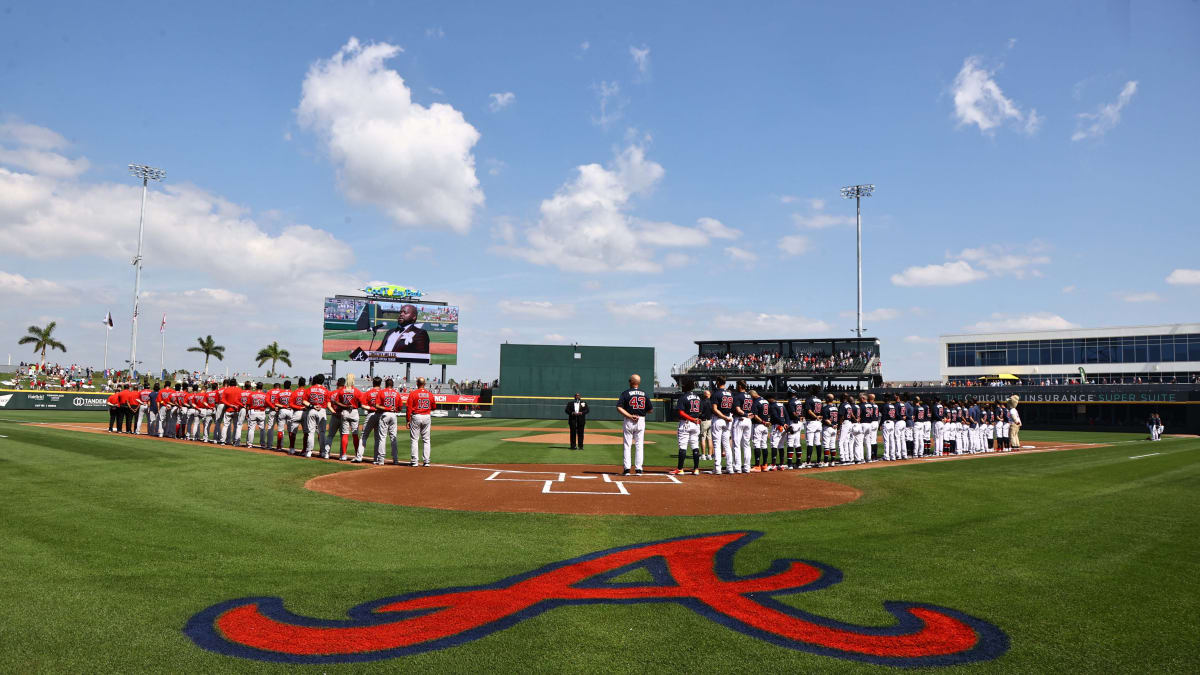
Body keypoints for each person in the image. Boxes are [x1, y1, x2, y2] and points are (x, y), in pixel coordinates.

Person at [616, 374, 652, 475]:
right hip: (640, 420)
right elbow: (650, 410)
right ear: (638, 383)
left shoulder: (625, 393)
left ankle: (627, 469)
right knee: (639, 445)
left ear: (631, 382)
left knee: (627, 445)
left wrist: (630, 416)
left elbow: (619, 407)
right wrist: (640, 411)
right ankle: (638, 469)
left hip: (629, 420)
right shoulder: (644, 393)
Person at [672, 381, 702, 475]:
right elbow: (700, 411)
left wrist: (692, 418)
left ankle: (680, 469)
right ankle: (696, 469)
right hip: (696, 423)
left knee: (683, 446)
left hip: (686, 423)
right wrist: (695, 418)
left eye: (683, 385)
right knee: (695, 445)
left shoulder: (683, 397)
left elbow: (681, 412)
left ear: (686, 387)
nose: (682, 387)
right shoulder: (698, 397)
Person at [406, 377, 437, 466]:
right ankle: (426, 461)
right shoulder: (430, 394)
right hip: (426, 416)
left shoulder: (413, 394)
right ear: (425, 384)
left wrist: (408, 420)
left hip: (416, 416)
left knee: (415, 439)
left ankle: (414, 461)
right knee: (426, 439)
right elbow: (434, 407)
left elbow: (409, 408)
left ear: (417, 383)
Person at [355, 377, 383, 463]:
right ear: (380, 383)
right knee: (378, 438)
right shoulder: (383, 393)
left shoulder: (368, 392)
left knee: (364, 436)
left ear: (373, 383)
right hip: (381, 415)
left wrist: (370, 408)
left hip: (371, 414)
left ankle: (359, 457)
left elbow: (362, 405)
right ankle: (376, 459)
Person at [709, 379, 734, 474]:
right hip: (728, 420)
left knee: (717, 444)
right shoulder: (730, 394)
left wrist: (724, 417)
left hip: (719, 419)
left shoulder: (716, 393)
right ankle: (730, 468)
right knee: (727, 445)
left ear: (718, 382)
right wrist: (727, 417)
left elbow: (715, 409)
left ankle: (718, 468)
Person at [304, 374, 331, 458]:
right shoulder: (326, 390)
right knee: (322, 432)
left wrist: (312, 406)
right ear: (323, 381)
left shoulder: (309, 389)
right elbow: (328, 403)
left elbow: (304, 401)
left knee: (311, 432)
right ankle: (323, 452)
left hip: (312, 410)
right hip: (322, 410)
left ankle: (309, 451)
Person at [376, 378, 401, 465]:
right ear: (392, 385)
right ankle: (395, 459)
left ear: (385, 384)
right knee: (393, 437)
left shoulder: (381, 392)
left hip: (385, 414)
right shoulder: (396, 393)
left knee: (382, 437)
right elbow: (400, 407)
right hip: (393, 415)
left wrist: (387, 408)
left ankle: (381, 460)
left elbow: (377, 405)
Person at [730, 381, 753, 474]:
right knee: (746, 444)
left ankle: (738, 467)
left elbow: (738, 410)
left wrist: (745, 414)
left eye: (737, 385)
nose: (736, 387)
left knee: (736, 444)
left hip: (740, 419)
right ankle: (747, 467)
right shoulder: (749, 396)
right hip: (748, 421)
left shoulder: (738, 396)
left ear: (740, 386)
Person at [246, 383, 269, 448]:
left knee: (251, 429)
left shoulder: (251, 394)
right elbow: (267, 404)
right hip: (261, 412)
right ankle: (263, 444)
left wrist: (247, 413)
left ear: (256, 387)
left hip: (253, 412)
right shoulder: (265, 395)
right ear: (262, 387)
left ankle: (250, 444)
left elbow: (248, 405)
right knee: (262, 429)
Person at [699, 389, 714, 461]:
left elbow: (700, 412)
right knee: (710, 439)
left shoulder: (702, 402)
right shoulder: (712, 402)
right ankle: (710, 455)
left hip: (704, 421)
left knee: (703, 438)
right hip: (711, 421)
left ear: (704, 395)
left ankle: (703, 455)